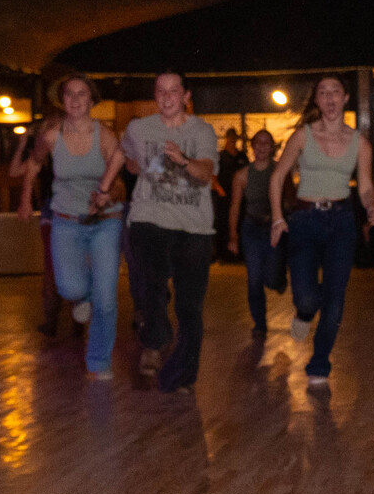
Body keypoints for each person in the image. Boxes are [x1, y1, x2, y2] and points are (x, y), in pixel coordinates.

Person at [267, 76, 374, 389]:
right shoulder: (302, 136)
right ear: (317, 100)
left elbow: (366, 186)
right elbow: (277, 177)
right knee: (306, 297)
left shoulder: (360, 143)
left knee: (335, 298)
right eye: (323, 93)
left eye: (335, 92)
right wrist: (277, 218)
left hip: (341, 221)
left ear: (345, 98)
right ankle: (304, 314)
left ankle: (319, 363)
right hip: (305, 220)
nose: (330, 98)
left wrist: (371, 206)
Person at [11, 74, 125, 379]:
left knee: (106, 298)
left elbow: (119, 180)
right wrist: (25, 199)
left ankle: (98, 361)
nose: (75, 100)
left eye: (81, 94)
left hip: (106, 221)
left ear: (91, 100)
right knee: (68, 287)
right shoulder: (51, 136)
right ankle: (83, 297)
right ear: (63, 100)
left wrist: (106, 194)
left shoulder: (104, 135)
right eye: (69, 94)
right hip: (66, 221)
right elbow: (34, 163)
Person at [121, 70, 221, 392]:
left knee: (189, 307)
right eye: (160, 91)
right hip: (149, 217)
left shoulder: (202, 131)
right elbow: (126, 156)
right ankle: (155, 338)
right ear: (154, 96)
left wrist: (183, 160)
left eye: (173, 91)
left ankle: (182, 375)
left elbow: (205, 173)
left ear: (186, 96)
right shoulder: (138, 128)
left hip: (193, 226)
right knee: (150, 281)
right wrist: (129, 169)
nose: (166, 97)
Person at [230, 126, 285, 333]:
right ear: (252, 146)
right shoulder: (242, 175)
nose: (262, 146)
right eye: (258, 142)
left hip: (273, 227)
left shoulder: (279, 170)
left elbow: (290, 197)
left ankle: (278, 281)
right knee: (254, 277)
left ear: (272, 147)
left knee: (271, 276)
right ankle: (259, 323)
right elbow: (235, 206)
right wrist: (233, 235)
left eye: (266, 143)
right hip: (252, 228)